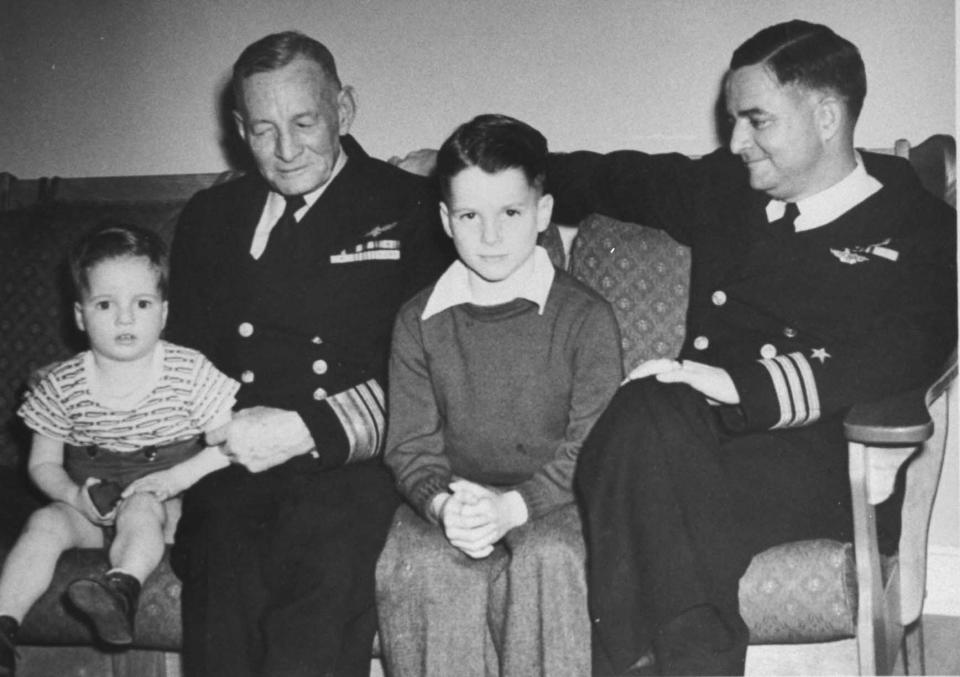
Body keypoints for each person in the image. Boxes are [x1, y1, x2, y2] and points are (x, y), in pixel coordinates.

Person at [545, 20, 958, 676]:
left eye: (756, 120)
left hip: (824, 457)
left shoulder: (918, 223)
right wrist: (479, 161)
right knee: (648, 410)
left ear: (825, 116)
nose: (735, 141)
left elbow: (910, 348)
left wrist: (746, 387)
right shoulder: (724, 191)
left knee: (643, 448)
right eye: (733, 120)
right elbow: (608, 179)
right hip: (689, 440)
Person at [165, 31, 453, 677]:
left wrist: (305, 428)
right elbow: (182, 359)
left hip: (350, 462)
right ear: (239, 128)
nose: (287, 150)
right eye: (263, 130)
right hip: (234, 458)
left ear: (344, 110)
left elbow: (435, 373)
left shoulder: (412, 208)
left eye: (304, 122)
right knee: (221, 569)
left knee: (321, 573)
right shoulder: (211, 216)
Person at [375, 113, 623, 677]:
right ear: (445, 219)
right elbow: (411, 448)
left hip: (561, 501)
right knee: (417, 565)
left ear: (542, 212)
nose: (490, 237)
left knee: (549, 559)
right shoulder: (418, 320)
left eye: (510, 213)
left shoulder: (585, 319)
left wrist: (513, 508)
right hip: (455, 496)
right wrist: (443, 506)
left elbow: (594, 448)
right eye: (470, 215)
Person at [0, 224, 238, 676]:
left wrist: (172, 481)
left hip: (168, 510)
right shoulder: (60, 383)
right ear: (79, 315)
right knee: (44, 521)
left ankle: (120, 590)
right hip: (92, 513)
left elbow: (229, 444)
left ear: (164, 313)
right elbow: (42, 462)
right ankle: (3, 625)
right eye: (106, 304)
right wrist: (73, 498)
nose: (125, 319)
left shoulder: (188, 372)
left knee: (142, 507)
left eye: (141, 304)